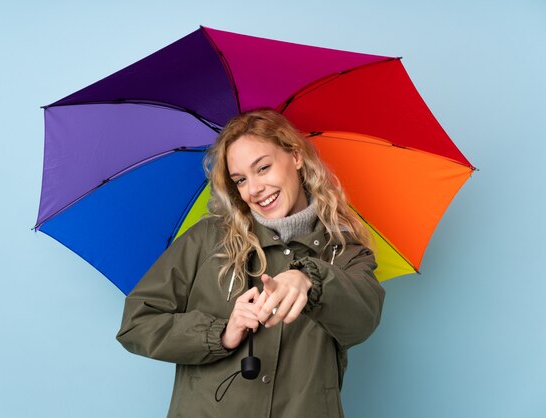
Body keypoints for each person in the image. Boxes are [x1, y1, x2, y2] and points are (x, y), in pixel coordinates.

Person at [116, 108, 385, 418]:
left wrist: (312, 279)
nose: (254, 189)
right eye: (240, 180)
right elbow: (137, 324)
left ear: (296, 156)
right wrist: (219, 333)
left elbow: (362, 322)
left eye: (264, 168)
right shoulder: (207, 238)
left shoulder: (344, 250)